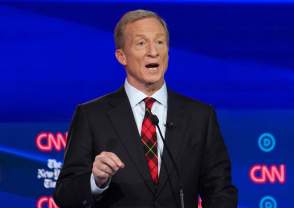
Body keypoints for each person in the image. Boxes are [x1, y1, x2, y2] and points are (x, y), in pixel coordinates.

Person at [53, 9, 238, 208]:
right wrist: (95, 182)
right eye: (141, 43)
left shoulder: (200, 117)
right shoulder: (91, 116)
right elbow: (65, 195)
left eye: (159, 42)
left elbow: (220, 191)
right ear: (121, 56)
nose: (153, 51)